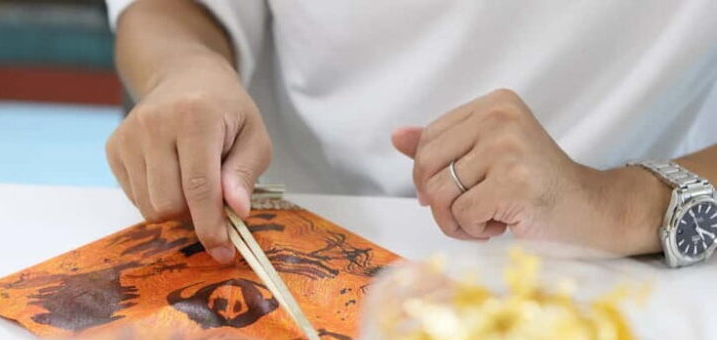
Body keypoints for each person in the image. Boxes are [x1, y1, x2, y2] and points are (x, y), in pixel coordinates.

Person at [103, 0, 717, 267]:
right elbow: (170, 11)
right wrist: (185, 71)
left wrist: (622, 205)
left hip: (634, 267)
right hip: (285, 238)